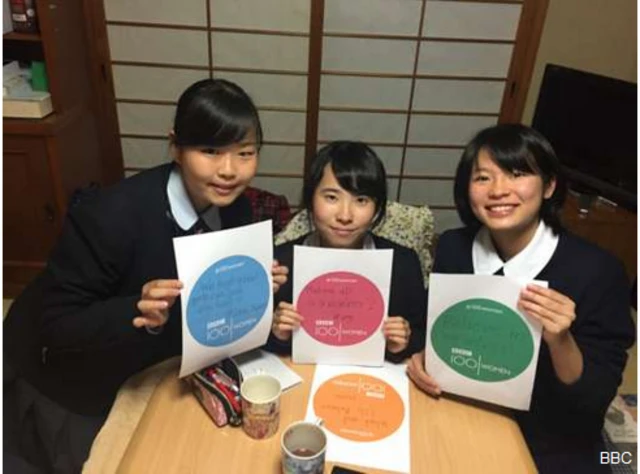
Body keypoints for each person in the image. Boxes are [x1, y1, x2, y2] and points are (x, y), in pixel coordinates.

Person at [3, 78, 288, 473]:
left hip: (161, 363)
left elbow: (209, 295)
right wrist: (134, 310)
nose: (229, 171)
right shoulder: (110, 216)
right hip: (72, 373)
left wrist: (257, 287)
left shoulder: (237, 208)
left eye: (245, 153)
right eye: (209, 151)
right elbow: (55, 323)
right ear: (175, 146)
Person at [406, 124, 635, 473]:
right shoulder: (453, 246)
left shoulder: (598, 271)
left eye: (517, 173)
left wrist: (560, 340)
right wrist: (424, 358)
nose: (498, 190)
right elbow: (432, 326)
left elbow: (592, 402)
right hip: (458, 407)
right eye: (483, 178)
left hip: (550, 437)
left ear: (549, 185)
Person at [264, 141, 426, 362]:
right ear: (311, 198)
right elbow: (254, 337)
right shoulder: (280, 262)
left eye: (361, 200)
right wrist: (278, 334)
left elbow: (422, 333)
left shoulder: (403, 263)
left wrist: (402, 343)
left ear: (377, 207)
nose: (345, 215)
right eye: (331, 197)